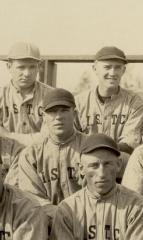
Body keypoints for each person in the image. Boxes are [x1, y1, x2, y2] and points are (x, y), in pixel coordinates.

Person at [10, 88, 86, 220]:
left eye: (64, 110)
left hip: (86, 219)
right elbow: (32, 197)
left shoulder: (91, 146)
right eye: (52, 111)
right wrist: (62, 216)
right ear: (44, 117)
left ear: (74, 114)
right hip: (47, 222)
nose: (58, 117)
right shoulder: (31, 154)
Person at [74, 46, 143, 155]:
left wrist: (103, 151)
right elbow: (72, 139)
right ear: (95, 69)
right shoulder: (79, 102)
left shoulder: (135, 102)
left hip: (120, 160)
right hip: (85, 159)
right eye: (107, 67)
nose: (112, 73)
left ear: (123, 70)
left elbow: (130, 143)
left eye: (117, 67)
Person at [0, 42, 53, 145]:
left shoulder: (51, 95)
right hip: (7, 155)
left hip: (41, 155)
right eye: (21, 67)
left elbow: (50, 135)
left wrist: (8, 136)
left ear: (39, 67)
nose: (27, 73)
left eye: (32, 67)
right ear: (9, 66)